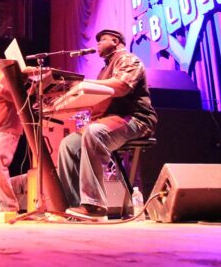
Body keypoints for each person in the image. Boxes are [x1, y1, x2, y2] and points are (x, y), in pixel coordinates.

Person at [57, 29, 157, 222]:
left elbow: (121, 86)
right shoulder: (104, 69)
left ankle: (95, 205)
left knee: (94, 133)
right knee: (68, 144)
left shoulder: (128, 59)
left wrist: (84, 85)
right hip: (110, 120)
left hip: (135, 119)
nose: (98, 45)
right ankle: (73, 206)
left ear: (115, 40)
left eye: (102, 40)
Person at [0, 57, 24, 215]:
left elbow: (15, 97)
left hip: (8, 127)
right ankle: (1, 205)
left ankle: (8, 207)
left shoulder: (8, 78)